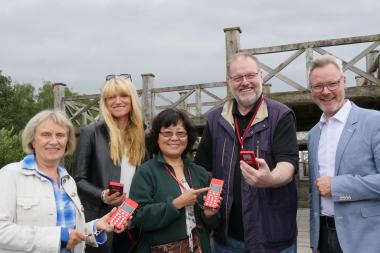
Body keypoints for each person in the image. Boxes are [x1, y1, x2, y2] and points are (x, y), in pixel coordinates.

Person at [194, 52, 299, 253]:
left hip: (273, 238)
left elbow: (288, 163)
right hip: (227, 238)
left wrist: (270, 178)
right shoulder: (216, 119)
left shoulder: (281, 115)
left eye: (250, 75)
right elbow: (200, 168)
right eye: (238, 77)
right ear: (229, 81)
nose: (245, 82)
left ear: (261, 76)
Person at [0, 110, 129, 253]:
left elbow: (70, 232)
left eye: (60, 135)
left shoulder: (68, 181)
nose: (54, 141)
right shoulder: (11, 175)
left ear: (67, 142)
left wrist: (95, 226)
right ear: (32, 140)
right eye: (46, 134)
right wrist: (58, 237)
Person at [308, 55, 380, 253]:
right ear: (310, 90)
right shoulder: (314, 133)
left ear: (344, 82)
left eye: (332, 83)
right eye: (318, 86)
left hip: (366, 240)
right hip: (324, 238)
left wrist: (337, 186)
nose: (325, 92)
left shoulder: (375, 122)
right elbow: (313, 194)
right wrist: (315, 241)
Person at [129, 108, 221, 252]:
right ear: (156, 137)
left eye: (180, 133)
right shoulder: (145, 172)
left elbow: (213, 224)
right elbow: (139, 217)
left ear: (188, 138)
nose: (174, 138)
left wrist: (210, 215)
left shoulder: (200, 172)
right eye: (167, 133)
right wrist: (177, 203)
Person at [75, 74, 145, 253]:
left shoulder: (145, 134)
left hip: (134, 223)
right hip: (102, 222)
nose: (117, 101)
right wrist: (103, 195)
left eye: (123, 96)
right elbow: (79, 180)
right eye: (111, 97)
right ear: (104, 102)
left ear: (132, 99)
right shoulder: (90, 133)